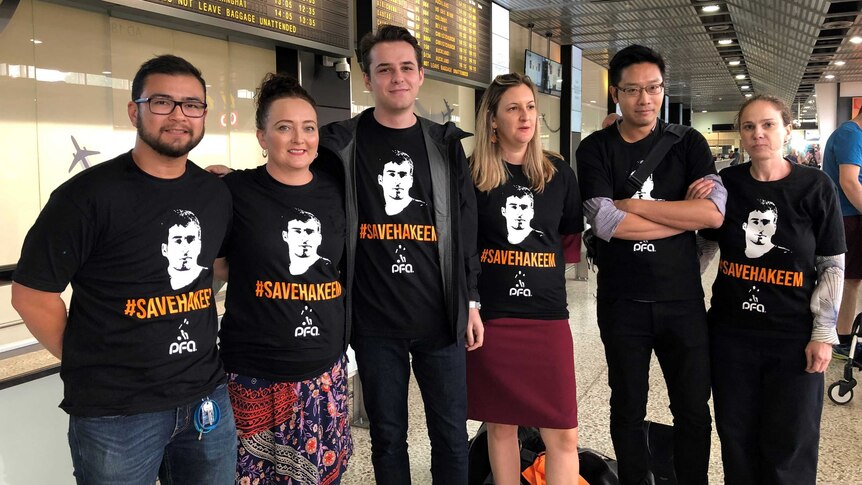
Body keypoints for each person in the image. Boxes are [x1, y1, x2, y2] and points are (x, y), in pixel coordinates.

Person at [10, 54, 236, 484]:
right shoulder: (86, 197)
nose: (178, 115)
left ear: (204, 115)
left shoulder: (214, 193)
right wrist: (91, 360)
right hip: (117, 414)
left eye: (192, 104)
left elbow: (219, 265)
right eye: (162, 102)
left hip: (206, 399)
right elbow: (31, 294)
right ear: (135, 110)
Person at [318, 24, 481, 485]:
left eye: (406, 67)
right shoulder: (339, 145)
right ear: (367, 80)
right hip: (374, 325)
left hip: (441, 318)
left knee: (450, 435)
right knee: (388, 438)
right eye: (384, 69)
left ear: (421, 75)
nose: (397, 78)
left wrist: (472, 301)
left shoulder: (444, 146)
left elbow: (466, 231)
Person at [575, 44, 725, 485]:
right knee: (627, 406)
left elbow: (713, 214)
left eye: (654, 88)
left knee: (694, 408)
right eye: (634, 89)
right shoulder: (596, 149)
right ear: (616, 95)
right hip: (623, 303)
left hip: (683, 301)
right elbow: (605, 221)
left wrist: (634, 208)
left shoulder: (689, 143)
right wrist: (679, 217)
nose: (646, 98)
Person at [698, 95, 844, 484]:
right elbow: (707, 244)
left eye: (767, 125)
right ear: (741, 135)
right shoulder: (726, 184)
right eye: (749, 127)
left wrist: (823, 333)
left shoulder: (815, 185)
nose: (758, 134)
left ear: (787, 129)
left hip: (793, 337)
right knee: (736, 436)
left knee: (791, 441)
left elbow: (831, 263)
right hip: (731, 335)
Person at [214, 73, 352, 485]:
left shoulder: (339, 192)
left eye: (308, 127)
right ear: (262, 136)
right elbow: (218, 264)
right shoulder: (234, 190)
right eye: (283, 127)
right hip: (253, 374)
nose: (299, 138)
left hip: (323, 375)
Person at [467, 72, 583, 485]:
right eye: (513, 108)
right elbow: (465, 248)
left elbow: (569, 239)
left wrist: (536, 267)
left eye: (531, 107)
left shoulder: (557, 174)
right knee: (500, 426)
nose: (525, 117)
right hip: (494, 318)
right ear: (493, 120)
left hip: (547, 315)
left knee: (564, 433)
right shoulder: (473, 175)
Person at [823, 108, 862, 361]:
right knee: (848, 279)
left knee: (852, 279)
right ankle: (843, 338)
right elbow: (849, 182)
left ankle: (844, 336)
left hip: (851, 215)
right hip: (849, 217)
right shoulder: (851, 134)